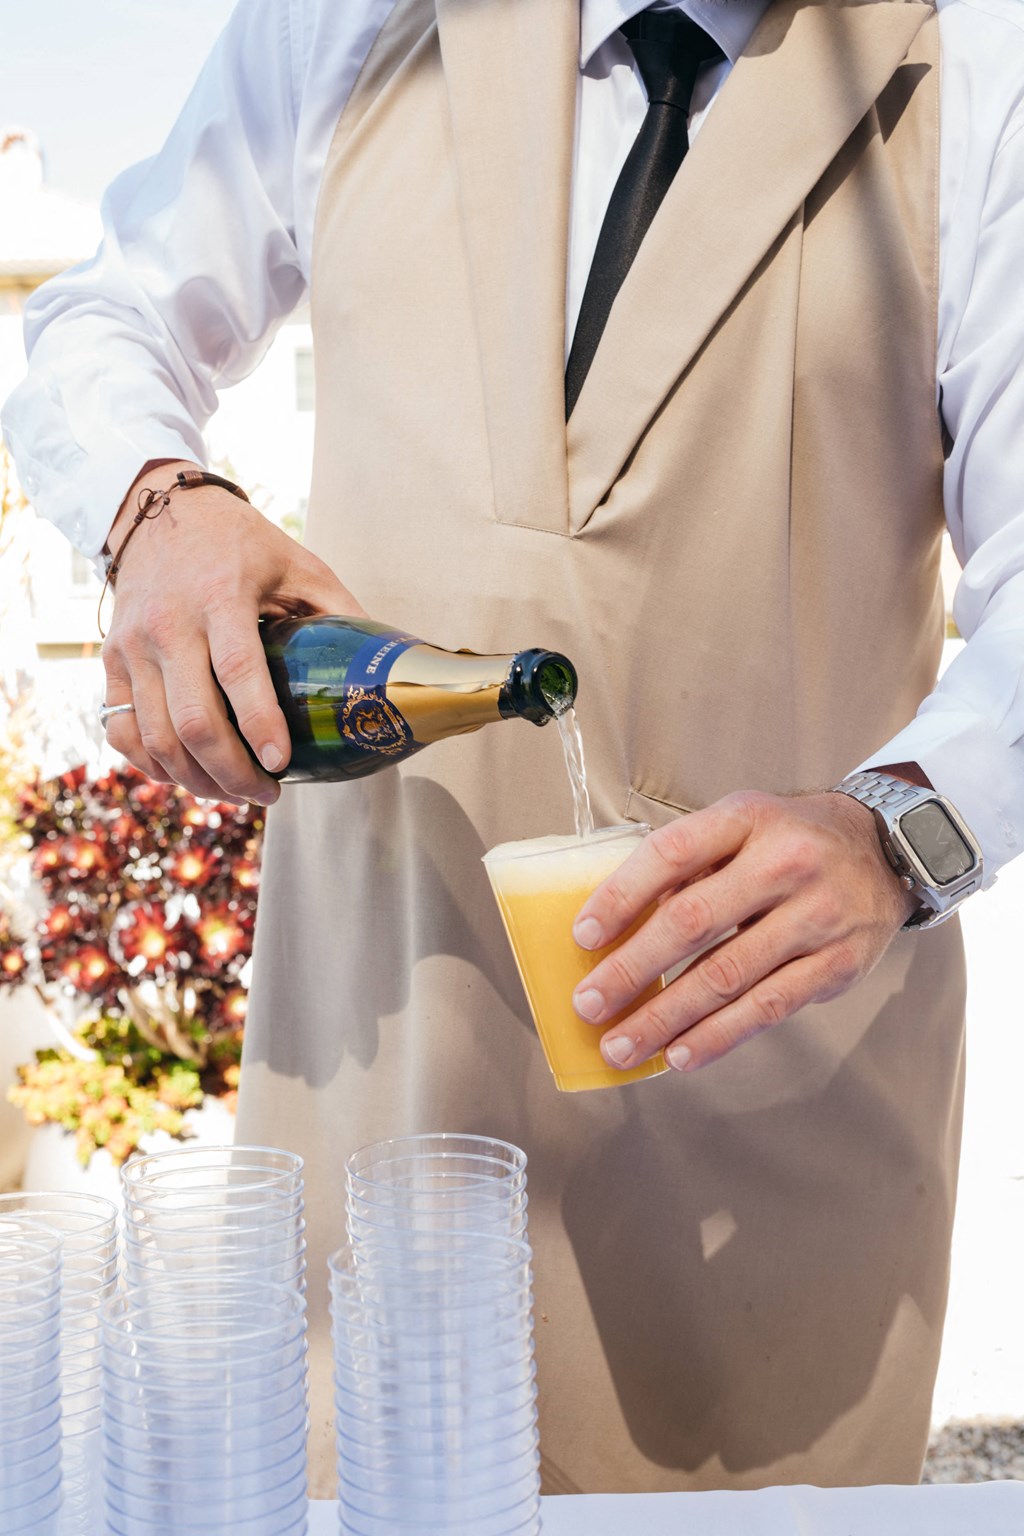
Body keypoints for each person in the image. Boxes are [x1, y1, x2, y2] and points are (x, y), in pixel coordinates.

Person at [6, 0, 1024, 1499]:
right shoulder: (349, 21)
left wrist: (899, 832)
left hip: (779, 1114)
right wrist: (159, 504)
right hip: (376, 1081)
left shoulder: (982, 78)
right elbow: (108, 309)